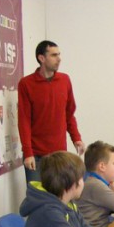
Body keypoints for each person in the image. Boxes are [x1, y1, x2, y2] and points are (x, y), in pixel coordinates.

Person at [18, 40, 84, 184]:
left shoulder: (65, 80)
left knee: (59, 194)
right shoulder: (26, 84)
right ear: (41, 58)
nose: (59, 59)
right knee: (36, 195)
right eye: (54, 55)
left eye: (59, 54)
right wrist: (28, 153)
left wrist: (76, 138)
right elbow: (24, 120)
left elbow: (69, 114)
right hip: (35, 155)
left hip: (59, 156)